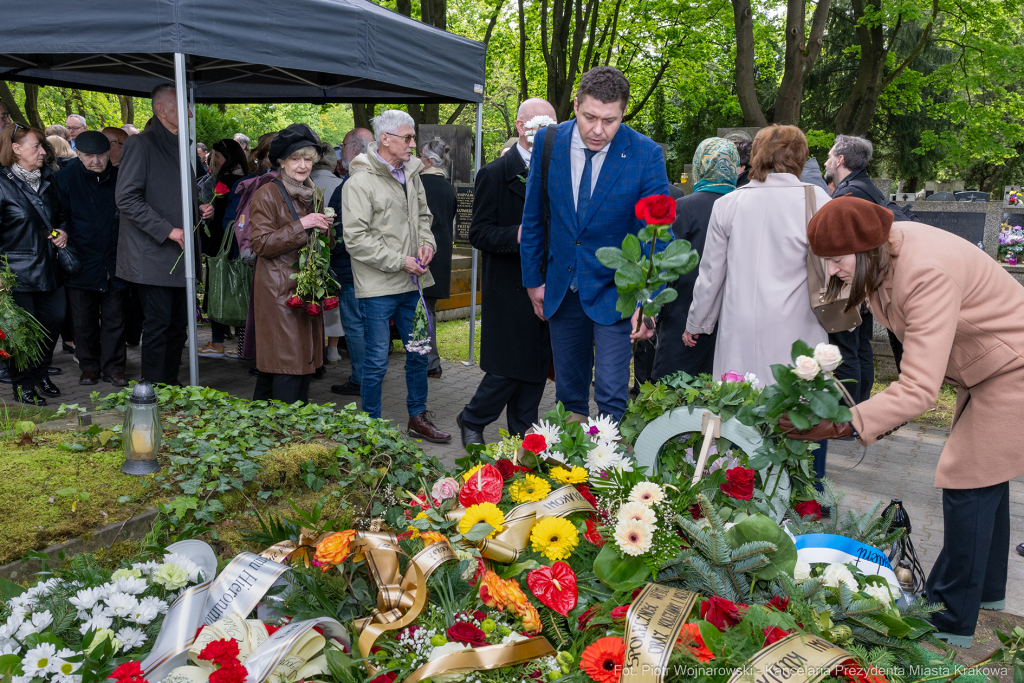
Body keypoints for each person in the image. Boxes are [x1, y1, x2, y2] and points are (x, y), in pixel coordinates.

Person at [781, 196, 1024, 649]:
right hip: (988, 365)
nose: (831, 271)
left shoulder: (924, 270)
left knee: (968, 479)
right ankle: (987, 594)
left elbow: (918, 388)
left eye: (836, 260)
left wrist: (842, 426)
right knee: (987, 477)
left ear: (865, 248)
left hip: (1011, 366)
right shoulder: (883, 255)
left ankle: (947, 618)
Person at [520, 66, 666, 421]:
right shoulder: (548, 143)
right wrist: (533, 281)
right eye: (590, 117)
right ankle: (573, 474)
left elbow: (659, 237)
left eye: (610, 120)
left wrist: (649, 302)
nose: (598, 130)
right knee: (569, 398)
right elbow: (534, 218)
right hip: (562, 289)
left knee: (612, 398)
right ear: (575, 105)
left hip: (619, 293)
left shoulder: (646, 154)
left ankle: (608, 469)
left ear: (623, 113)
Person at [685, 125, 829, 385]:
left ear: (756, 156)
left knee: (740, 403)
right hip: (800, 321)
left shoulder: (728, 203)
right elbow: (835, 267)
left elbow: (711, 275)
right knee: (796, 407)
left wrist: (698, 323)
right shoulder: (818, 201)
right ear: (801, 157)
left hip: (740, 325)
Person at [342, 110, 450, 443]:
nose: (413, 144)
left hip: (412, 283)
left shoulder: (413, 174)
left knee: (419, 351)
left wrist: (428, 245)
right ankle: (370, 428)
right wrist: (400, 260)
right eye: (408, 137)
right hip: (377, 287)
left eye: (413, 137)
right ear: (385, 139)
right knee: (376, 359)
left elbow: (424, 217)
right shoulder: (359, 182)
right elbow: (355, 240)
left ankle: (416, 418)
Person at [458, 98, 556, 445]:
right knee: (507, 368)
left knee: (534, 366)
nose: (549, 133)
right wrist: (518, 233)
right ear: (521, 127)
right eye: (541, 125)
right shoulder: (494, 173)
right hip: (510, 286)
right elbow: (478, 232)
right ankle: (473, 418)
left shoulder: (559, 170)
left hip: (550, 283)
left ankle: (523, 433)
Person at [116, 83, 212, 386]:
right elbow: (126, 198)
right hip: (154, 256)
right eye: (183, 105)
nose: (190, 112)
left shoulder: (182, 144)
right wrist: (166, 230)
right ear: (161, 110)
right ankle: (153, 390)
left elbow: (175, 195)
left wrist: (200, 207)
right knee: (158, 326)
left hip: (180, 253)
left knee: (178, 327)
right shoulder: (140, 144)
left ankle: (171, 386)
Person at [248, 124, 332, 403]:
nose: (303, 165)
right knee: (285, 364)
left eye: (308, 159)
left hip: (306, 290)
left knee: (296, 364)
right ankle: (282, 431)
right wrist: (302, 225)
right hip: (277, 291)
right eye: (295, 158)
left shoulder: (315, 194)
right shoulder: (266, 193)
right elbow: (260, 244)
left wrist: (326, 231)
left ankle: (275, 427)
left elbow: (325, 247)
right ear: (282, 162)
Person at [652, 138, 739, 381]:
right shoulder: (743, 205)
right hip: (730, 311)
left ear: (701, 165)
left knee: (674, 387)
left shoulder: (684, 207)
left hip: (684, 310)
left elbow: (665, 262)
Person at [0, 124, 69, 404]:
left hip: (49, 270)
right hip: (14, 273)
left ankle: (41, 374)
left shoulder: (48, 181)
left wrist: (63, 231)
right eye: (36, 146)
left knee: (54, 322)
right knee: (22, 333)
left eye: (42, 146)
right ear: (16, 150)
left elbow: (61, 216)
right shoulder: (2, 184)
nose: (43, 152)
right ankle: (23, 383)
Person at [55, 131, 128, 387]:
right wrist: (61, 231)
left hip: (114, 259)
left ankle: (115, 368)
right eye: (88, 156)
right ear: (77, 153)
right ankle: (88, 367)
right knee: (83, 320)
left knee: (115, 318)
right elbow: (57, 215)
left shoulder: (120, 177)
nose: (95, 161)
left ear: (109, 154)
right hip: (80, 260)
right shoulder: (63, 179)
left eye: (101, 155)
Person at [817, 134, 879, 404]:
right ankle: (861, 408)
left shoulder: (847, 194)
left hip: (851, 281)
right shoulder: (868, 188)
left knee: (846, 351)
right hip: (867, 280)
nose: (826, 160)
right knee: (862, 347)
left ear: (840, 160)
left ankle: (847, 415)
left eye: (830, 156)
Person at [326, 127, 374, 395]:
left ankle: (361, 379)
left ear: (353, 149)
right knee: (368, 324)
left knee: (355, 324)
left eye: (342, 145)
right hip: (370, 266)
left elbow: (340, 230)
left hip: (352, 266)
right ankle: (369, 376)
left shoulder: (351, 184)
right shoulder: (379, 179)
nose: (340, 151)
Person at [196, 138, 250, 359]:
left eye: (217, 156)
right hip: (240, 243)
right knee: (239, 290)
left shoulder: (226, 180)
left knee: (217, 288)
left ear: (228, 158)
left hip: (222, 243)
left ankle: (217, 341)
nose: (212, 159)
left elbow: (220, 216)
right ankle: (241, 346)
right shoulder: (247, 178)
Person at [418, 137, 456, 379]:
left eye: (421, 157)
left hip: (424, 252)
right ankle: (429, 359)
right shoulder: (448, 187)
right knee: (427, 307)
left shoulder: (420, 184)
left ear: (430, 160)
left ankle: (428, 361)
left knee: (422, 308)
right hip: (442, 253)